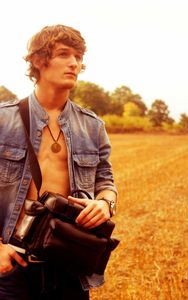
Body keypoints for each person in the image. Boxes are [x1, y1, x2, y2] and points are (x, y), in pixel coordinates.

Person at [0, 24, 117, 300]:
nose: (74, 63)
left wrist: (105, 203)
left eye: (78, 57)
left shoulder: (92, 126)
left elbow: (106, 180)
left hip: (70, 264)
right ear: (39, 61)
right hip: (13, 265)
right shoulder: (4, 120)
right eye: (64, 54)